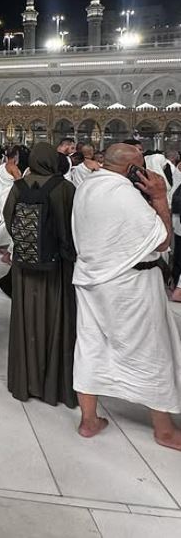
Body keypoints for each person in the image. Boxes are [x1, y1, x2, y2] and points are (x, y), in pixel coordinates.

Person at [71, 143, 181, 450]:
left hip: (92, 278)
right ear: (132, 169)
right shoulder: (123, 194)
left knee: (91, 345)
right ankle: (164, 430)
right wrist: (159, 197)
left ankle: (88, 420)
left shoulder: (89, 185)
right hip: (130, 285)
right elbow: (162, 241)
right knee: (152, 350)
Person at [3, 142, 77, 408]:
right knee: (55, 319)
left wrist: (27, 245)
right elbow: (74, 226)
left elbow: (9, 219)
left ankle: (24, 381)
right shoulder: (65, 188)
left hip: (24, 265)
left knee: (25, 318)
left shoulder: (19, 186)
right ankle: (52, 386)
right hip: (56, 267)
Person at [0, 147, 21, 251]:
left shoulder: (1, 167)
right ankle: (1, 244)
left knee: (2, 219)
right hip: (9, 196)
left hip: (1, 196)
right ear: (16, 156)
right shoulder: (13, 167)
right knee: (7, 219)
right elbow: (20, 183)